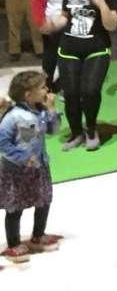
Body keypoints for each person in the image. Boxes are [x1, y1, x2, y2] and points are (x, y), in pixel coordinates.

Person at [51, 0, 117, 150]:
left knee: (90, 91)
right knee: (71, 93)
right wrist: (53, 24)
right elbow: (65, 17)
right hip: (69, 48)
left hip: (97, 48)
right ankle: (76, 133)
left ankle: (91, 130)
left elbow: (112, 26)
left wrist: (102, 4)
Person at [0, 70, 59, 261]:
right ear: (28, 95)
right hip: (17, 171)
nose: (47, 90)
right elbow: (3, 143)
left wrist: (51, 110)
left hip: (39, 166)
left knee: (44, 201)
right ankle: (13, 244)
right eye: (42, 87)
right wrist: (23, 157)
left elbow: (53, 130)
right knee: (15, 207)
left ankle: (38, 235)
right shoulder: (13, 116)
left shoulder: (40, 110)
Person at [32, 0, 78, 90]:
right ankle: (47, 85)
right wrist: (41, 23)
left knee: (70, 56)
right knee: (50, 57)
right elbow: (38, 2)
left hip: (74, 24)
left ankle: (65, 84)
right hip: (52, 24)